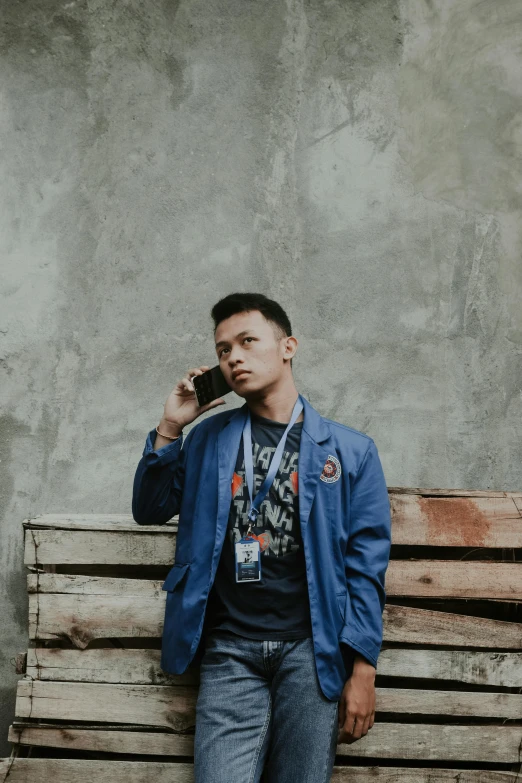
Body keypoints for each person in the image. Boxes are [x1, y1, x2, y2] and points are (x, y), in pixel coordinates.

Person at [132, 292, 392, 783]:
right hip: (230, 650)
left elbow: (366, 568)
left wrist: (363, 670)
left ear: (288, 346)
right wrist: (171, 426)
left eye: (248, 341)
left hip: (312, 652)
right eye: (223, 349)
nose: (233, 356)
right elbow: (149, 508)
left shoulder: (352, 451)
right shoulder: (209, 438)